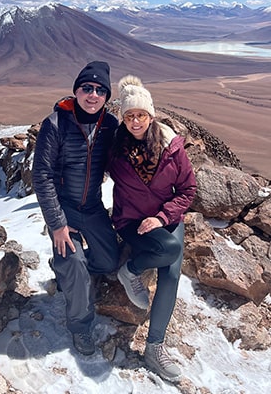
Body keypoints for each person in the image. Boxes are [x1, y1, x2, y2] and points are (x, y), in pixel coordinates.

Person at [107, 75, 196, 380]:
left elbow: (188, 189)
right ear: (123, 118)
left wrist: (162, 217)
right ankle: (131, 271)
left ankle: (154, 347)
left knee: (171, 268)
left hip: (164, 218)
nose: (135, 122)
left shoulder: (172, 146)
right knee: (170, 250)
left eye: (141, 115)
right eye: (129, 116)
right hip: (130, 218)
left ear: (151, 115)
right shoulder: (115, 147)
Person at [32, 61, 119, 356]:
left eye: (99, 90)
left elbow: (122, 162)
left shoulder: (110, 125)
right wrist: (57, 224)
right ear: (76, 91)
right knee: (76, 264)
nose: (92, 95)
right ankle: (80, 326)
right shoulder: (55, 124)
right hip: (64, 208)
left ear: (107, 96)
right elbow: (41, 175)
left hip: (93, 207)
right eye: (87, 88)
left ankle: (65, 270)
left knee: (108, 263)